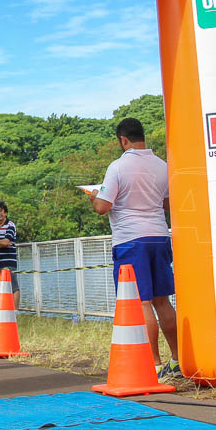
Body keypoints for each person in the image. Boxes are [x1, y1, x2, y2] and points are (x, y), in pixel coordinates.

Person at [87, 117, 180, 379]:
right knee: (163, 301)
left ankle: (153, 365)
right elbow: (166, 204)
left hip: (130, 239)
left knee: (142, 302)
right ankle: (177, 359)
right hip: (159, 236)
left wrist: (95, 196)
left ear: (122, 140)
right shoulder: (162, 165)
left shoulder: (117, 167)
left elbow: (103, 207)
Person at [0, 202, 20, 310]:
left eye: (1, 211)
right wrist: (0, 243)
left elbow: (7, 241)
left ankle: (15, 311)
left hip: (9, 261)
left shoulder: (10, 225)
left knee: (13, 286)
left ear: (5, 213)